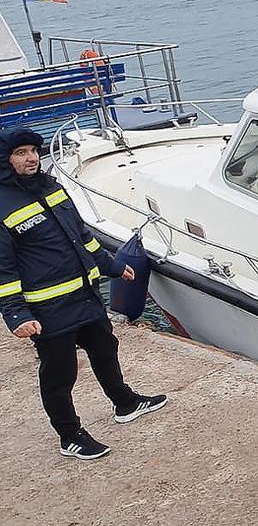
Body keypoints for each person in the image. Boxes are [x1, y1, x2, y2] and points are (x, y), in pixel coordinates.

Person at [0, 126, 167, 460]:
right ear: (6, 160)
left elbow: (81, 236)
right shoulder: (2, 205)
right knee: (60, 373)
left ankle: (125, 402)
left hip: (85, 296)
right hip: (47, 308)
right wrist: (16, 314)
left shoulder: (52, 187)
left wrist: (113, 266)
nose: (31, 158)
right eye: (21, 153)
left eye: (33, 150)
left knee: (106, 348)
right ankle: (70, 435)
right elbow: (3, 268)